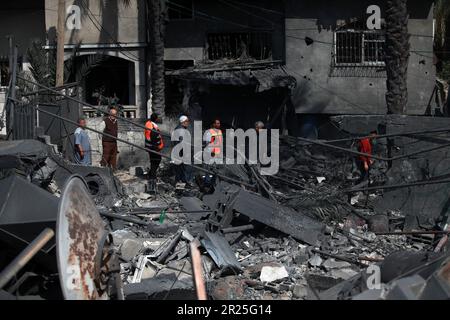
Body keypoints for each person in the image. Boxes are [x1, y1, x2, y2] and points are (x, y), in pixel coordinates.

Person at [145, 113, 164, 194]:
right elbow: (155, 138)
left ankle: (151, 174)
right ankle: (152, 177)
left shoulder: (148, 124)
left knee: (153, 161)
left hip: (149, 147)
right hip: (154, 148)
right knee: (156, 161)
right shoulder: (153, 128)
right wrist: (158, 147)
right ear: (156, 119)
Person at [173, 115, 192, 184]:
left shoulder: (178, 129)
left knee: (179, 170)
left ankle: (180, 186)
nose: (188, 123)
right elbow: (181, 143)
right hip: (181, 153)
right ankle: (183, 184)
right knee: (185, 169)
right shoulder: (181, 130)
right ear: (183, 122)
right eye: (187, 121)